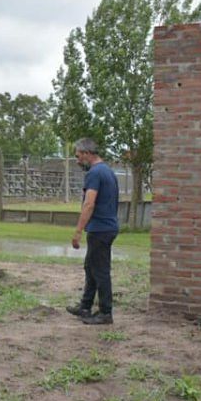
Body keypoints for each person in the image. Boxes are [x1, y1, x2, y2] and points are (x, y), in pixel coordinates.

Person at [66, 137, 119, 325]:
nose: (78, 160)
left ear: (88, 154)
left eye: (79, 156)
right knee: (91, 267)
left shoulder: (95, 174)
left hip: (100, 229)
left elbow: (89, 204)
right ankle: (85, 306)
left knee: (100, 270)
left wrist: (78, 230)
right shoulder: (108, 171)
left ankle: (106, 312)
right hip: (106, 227)